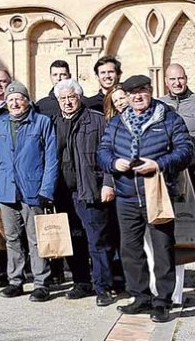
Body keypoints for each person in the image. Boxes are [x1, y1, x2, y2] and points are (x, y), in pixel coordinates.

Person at [98, 75, 192, 322]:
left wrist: (158, 164)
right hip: (126, 196)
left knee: (162, 248)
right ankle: (140, 297)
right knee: (130, 249)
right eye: (133, 93)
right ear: (127, 97)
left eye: (142, 91)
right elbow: (103, 152)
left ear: (151, 91)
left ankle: (162, 301)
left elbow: (185, 151)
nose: (138, 96)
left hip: (157, 193)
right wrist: (114, 163)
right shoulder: (117, 122)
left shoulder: (169, 118)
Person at [0, 81, 58, 302]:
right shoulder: (0, 124)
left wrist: (46, 189)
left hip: (32, 189)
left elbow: (51, 159)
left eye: (19, 98)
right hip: (6, 190)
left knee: (36, 239)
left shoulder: (42, 122)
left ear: (27, 101)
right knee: (12, 238)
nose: (15, 103)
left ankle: (41, 283)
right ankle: (15, 280)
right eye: (10, 100)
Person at [51, 79, 117, 306]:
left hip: (90, 189)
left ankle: (103, 287)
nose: (67, 102)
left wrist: (108, 183)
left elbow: (109, 154)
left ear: (79, 97)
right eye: (63, 98)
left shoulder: (97, 120)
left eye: (71, 97)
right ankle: (81, 282)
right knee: (74, 238)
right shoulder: (53, 123)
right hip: (63, 192)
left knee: (97, 240)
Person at [159, 63, 195, 295]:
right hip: (170, 175)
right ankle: (174, 283)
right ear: (165, 81)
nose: (177, 83)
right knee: (172, 225)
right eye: (172, 79)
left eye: (181, 78)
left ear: (186, 79)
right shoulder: (159, 105)